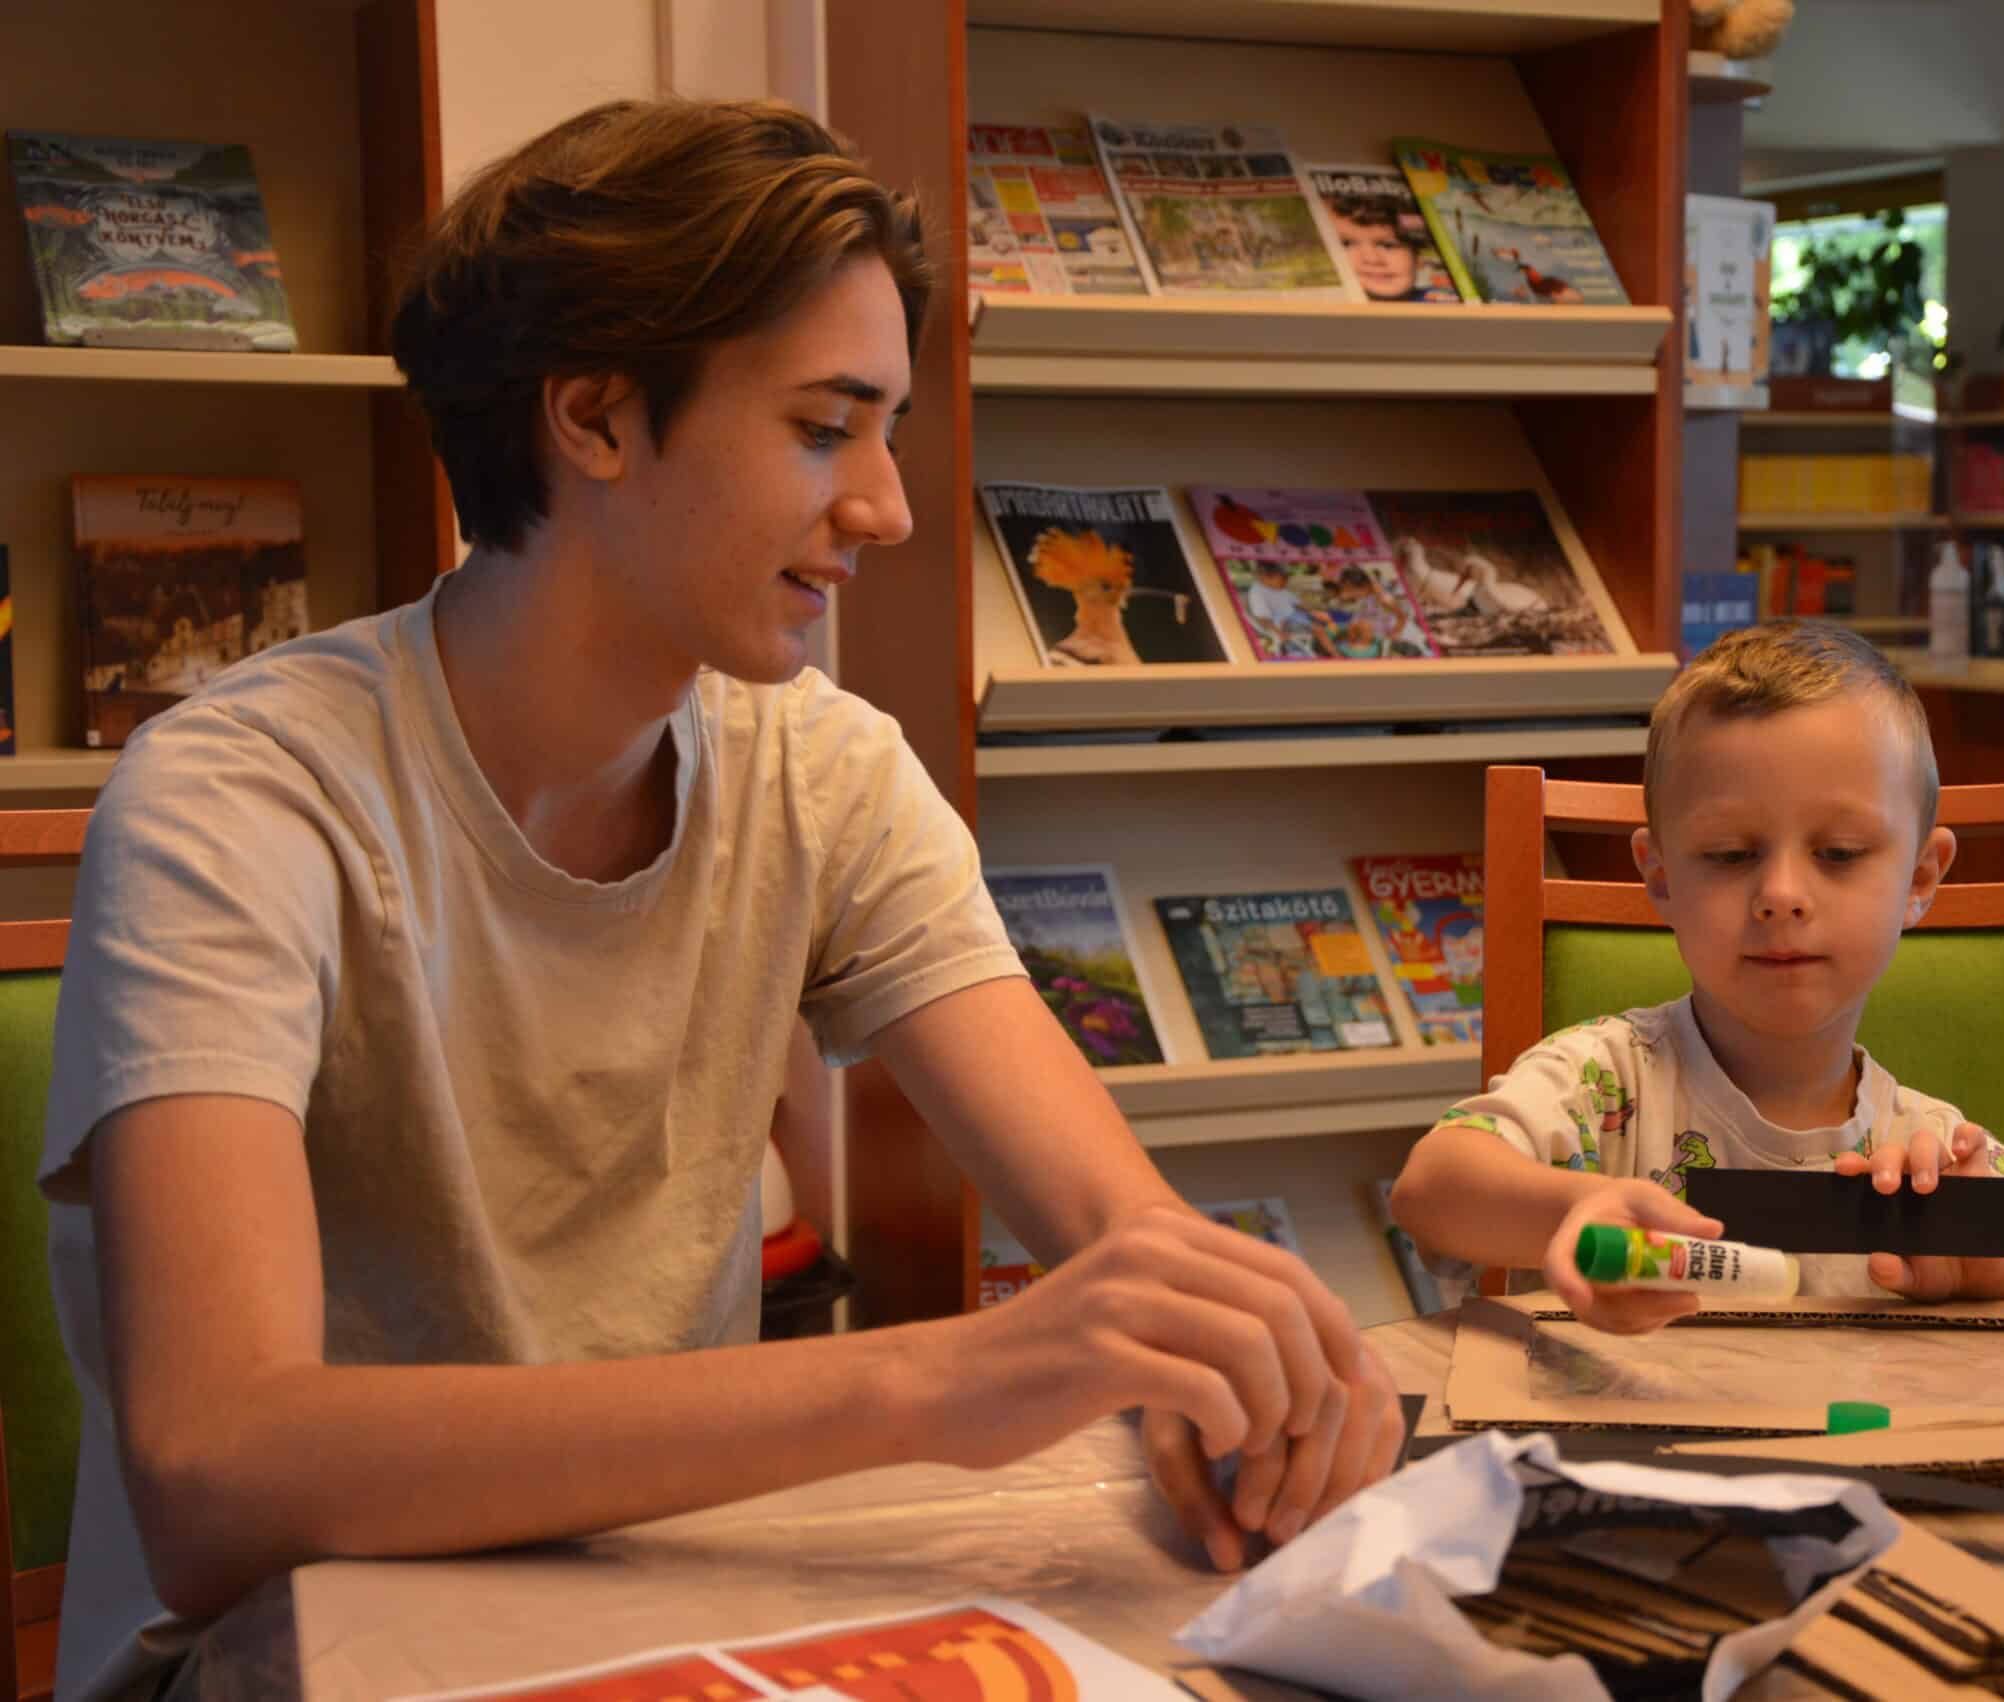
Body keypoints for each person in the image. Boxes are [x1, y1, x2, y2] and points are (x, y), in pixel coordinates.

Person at [38, 99, 1399, 1702]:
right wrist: (928, 1381)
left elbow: (1127, 1236)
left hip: (659, 1626)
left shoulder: (823, 770)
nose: (888, 506)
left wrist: (1247, 1363)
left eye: (886, 432)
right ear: (595, 418)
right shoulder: (238, 797)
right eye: (825, 428)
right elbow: (220, 1470)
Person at [1390, 622, 2004, 1330]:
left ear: (1920, 878)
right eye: (1731, 855)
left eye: (1839, 854)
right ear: (1659, 876)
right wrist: (1579, 1207)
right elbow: (1429, 1190)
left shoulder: (1943, 1157)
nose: (1782, 895)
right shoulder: (1601, 1085)